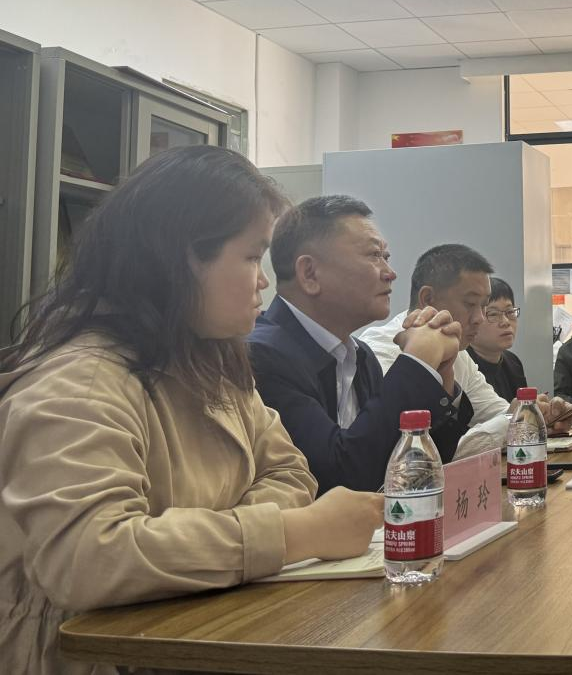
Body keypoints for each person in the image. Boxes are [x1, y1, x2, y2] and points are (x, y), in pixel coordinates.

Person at [0, 147, 381, 674]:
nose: (263, 281)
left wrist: (220, 540)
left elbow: (289, 471)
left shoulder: (212, 360)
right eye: (251, 257)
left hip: (199, 629)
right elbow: (87, 557)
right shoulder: (79, 383)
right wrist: (292, 533)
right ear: (179, 260)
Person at [248, 196, 471, 492]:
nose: (390, 273)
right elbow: (336, 479)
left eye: (386, 257)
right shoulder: (261, 355)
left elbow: (416, 471)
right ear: (310, 273)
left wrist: (440, 376)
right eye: (374, 255)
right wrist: (417, 363)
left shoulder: (360, 355)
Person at [360, 244, 572, 454]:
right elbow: (418, 453)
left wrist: (540, 415)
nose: (480, 318)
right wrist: (519, 421)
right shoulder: (380, 352)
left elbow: (497, 412)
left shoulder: (458, 351)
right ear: (427, 299)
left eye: (483, 306)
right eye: (470, 304)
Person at [466, 277, 527, 402]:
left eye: (510, 312)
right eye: (493, 314)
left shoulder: (513, 362)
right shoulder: (462, 365)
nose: (505, 322)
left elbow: (522, 411)